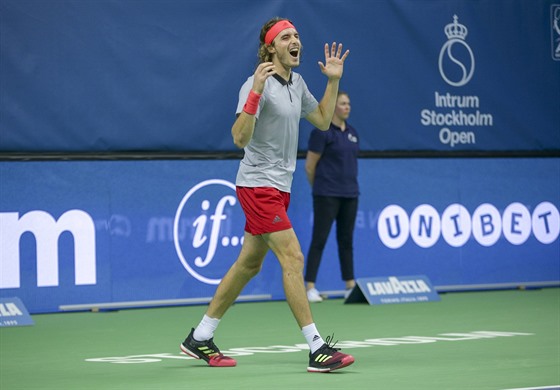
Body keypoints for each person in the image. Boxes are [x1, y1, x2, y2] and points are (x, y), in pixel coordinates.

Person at [179, 17, 354, 373]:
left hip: (280, 186)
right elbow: (239, 139)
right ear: (270, 47)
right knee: (292, 258)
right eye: (286, 37)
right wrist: (256, 93)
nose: (295, 41)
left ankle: (200, 336)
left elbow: (321, 119)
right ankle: (317, 348)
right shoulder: (254, 84)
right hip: (258, 185)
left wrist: (333, 82)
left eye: (297, 36)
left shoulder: (298, 83)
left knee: (249, 264)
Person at [304, 91, 359, 303]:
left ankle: (350, 286)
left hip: (350, 194)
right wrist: (319, 188)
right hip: (326, 195)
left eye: (348, 103)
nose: (347, 107)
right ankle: (310, 287)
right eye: (343, 103)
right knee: (320, 239)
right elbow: (310, 166)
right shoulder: (321, 132)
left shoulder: (353, 133)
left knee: (346, 240)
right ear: (334, 107)